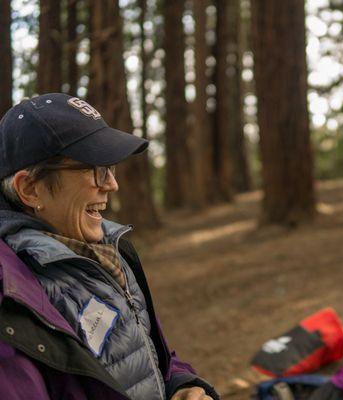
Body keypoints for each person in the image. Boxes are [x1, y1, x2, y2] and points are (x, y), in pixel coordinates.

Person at [0, 93, 218, 400]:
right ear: (30, 189)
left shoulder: (110, 252)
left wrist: (180, 383)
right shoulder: (11, 297)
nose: (112, 184)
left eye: (111, 167)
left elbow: (151, 359)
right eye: (95, 169)